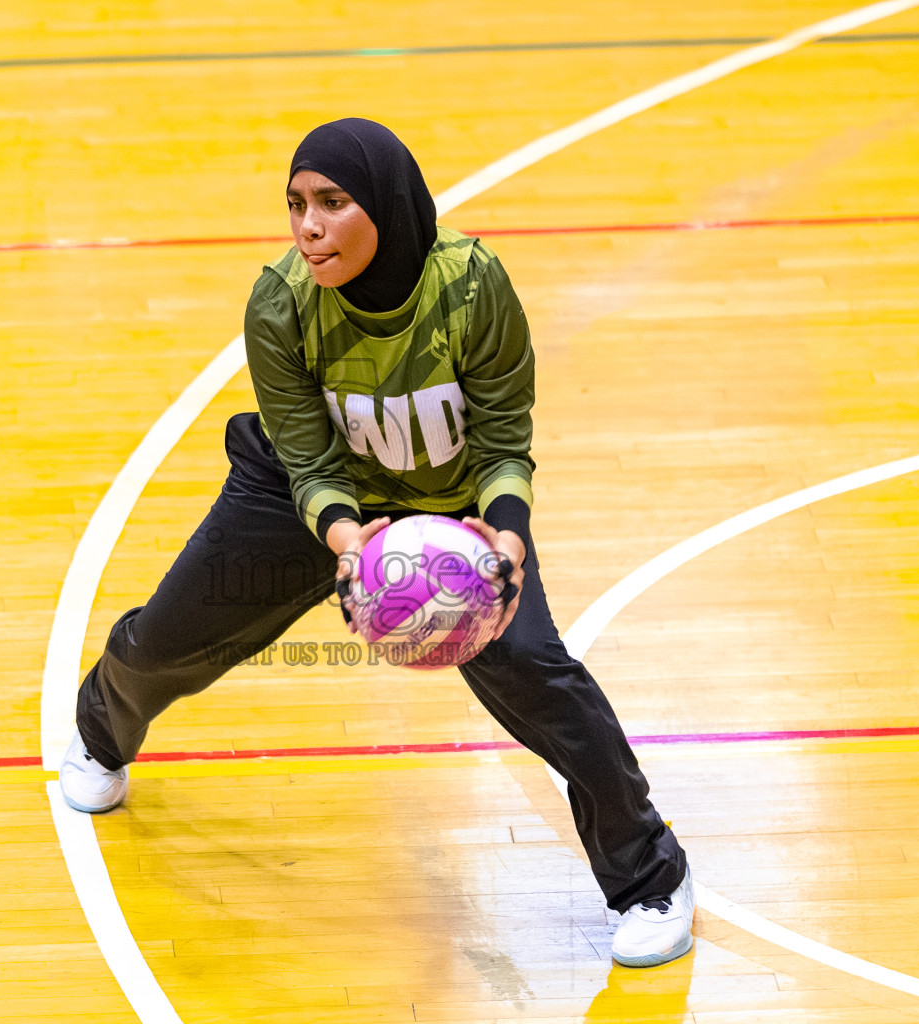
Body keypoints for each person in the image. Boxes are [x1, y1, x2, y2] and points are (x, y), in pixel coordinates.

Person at [60, 118, 694, 967]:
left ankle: (652, 879)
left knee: (538, 673)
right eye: (295, 205)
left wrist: (507, 538)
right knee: (166, 640)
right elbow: (309, 459)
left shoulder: (470, 285)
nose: (308, 227)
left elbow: (504, 438)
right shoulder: (281, 302)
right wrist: (347, 538)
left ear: (387, 206)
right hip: (302, 498)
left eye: (332, 203)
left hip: (455, 505)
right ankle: (100, 732)